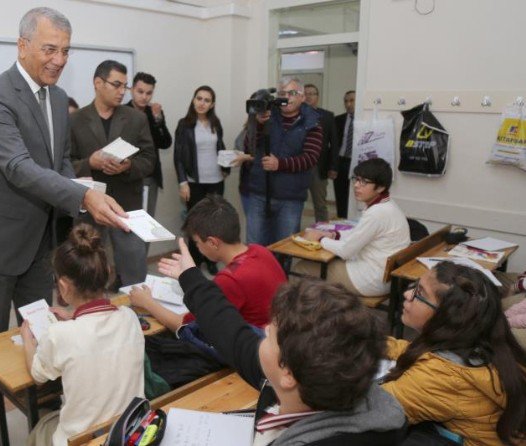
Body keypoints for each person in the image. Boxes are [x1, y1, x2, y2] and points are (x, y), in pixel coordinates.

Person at [0, 8, 128, 445]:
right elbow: (16, 166)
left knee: (41, 334)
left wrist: (84, 188)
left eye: (66, 50)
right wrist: (82, 195)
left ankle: (42, 419)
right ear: (23, 45)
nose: (59, 59)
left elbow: (59, 165)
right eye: (49, 49)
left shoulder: (56, 99)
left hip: (39, 247)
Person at [156, 238, 407, 445]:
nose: (264, 329)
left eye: (270, 335)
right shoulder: (319, 381)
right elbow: (230, 332)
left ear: (287, 372)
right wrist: (191, 277)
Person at [22, 224, 144, 446]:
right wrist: (75, 319)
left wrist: (27, 340)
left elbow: (37, 375)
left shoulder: (59, 335)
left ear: (63, 287)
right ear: (107, 274)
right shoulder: (129, 317)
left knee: (42, 427)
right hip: (129, 429)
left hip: (82, 439)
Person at [382, 262, 526, 445]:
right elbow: (416, 352)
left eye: (420, 293)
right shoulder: (483, 341)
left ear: (448, 317)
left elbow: (374, 412)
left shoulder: (441, 376)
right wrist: (373, 343)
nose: (407, 294)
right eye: (414, 286)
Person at [129, 195, 286, 355]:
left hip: (256, 353)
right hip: (279, 339)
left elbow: (186, 327)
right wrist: (189, 278)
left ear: (212, 242)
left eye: (197, 242)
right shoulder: (260, 251)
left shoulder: (230, 280)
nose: (197, 247)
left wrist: (148, 303)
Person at [69, 60, 156, 288]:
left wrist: (128, 166)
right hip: (89, 208)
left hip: (127, 207)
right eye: (116, 85)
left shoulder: (136, 119)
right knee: (86, 273)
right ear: (98, 83)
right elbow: (64, 166)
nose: (121, 92)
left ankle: (138, 315)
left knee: (134, 271)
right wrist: (90, 163)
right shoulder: (75, 120)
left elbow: (149, 160)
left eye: (124, 86)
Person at [296, 158, 410, 297]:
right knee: (324, 261)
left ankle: (298, 314)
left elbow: (346, 251)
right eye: (356, 179)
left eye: (364, 182)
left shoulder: (377, 213)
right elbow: (358, 234)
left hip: (369, 280)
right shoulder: (388, 205)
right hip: (384, 277)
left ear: (380, 187)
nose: (356, 185)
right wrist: (333, 235)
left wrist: (320, 239)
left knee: (301, 268)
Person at [245, 76, 323, 247]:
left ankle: (280, 275)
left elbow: (310, 158)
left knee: (284, 248)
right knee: (254, 246)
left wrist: (279, 164)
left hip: (290, 197)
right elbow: (248, 147)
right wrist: (257, 124)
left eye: (292, 93)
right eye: (282, 93)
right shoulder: (267, 115)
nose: (286, 97)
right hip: (260, 192)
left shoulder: (312, 123)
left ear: (302, 97)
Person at [173, 85, 229, 273]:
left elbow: (220, 147)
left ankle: (211, 260)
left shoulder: (216, 123)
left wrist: (226, 166)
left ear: (212, 104)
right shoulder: (184, 124)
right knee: (195, 224)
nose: (202, 103)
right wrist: (183, 182)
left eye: (206, 100)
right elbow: (178, 157)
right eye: (199, 98)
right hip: (194, 182)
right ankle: (194, 261)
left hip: (216, 181)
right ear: (193, 100)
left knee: (214, 224)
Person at [126, 72, 172, 225]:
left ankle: (143, 250)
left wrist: (158, 119)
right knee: (127, 223)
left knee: (147, 223)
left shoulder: (154, 112)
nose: (144, 97)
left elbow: (165, 143)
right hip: (126, 176)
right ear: (131, 90)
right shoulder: (121, 111)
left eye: (149, 93)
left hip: (150, 176)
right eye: (140, 92)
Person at [303, 84, 339, 222]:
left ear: (317, 97)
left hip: (319, 166)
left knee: (320, 204)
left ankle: (322, 232)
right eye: (305, 93)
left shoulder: (327, 116)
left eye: (312, 93)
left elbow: (334, 143)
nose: (309, 96)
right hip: (297, 166)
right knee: (295, 203)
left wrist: (333, 166)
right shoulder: (293, 114)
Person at [334, 90, 356, 219]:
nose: (348, 104)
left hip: (356, 161)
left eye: (352, 100)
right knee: (341, 194)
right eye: (346, 101)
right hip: (341, 161)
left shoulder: (364, 120)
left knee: (354, 195)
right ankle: (341, 219)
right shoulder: (338, 119)